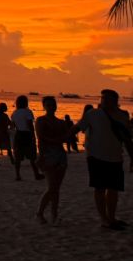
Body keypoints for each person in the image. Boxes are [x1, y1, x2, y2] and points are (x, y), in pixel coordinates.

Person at [78, 89, 133, 230]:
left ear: (115, 101)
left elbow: (127, 138)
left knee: (114, 189)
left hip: (115, 156)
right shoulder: (92, 114)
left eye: (106, 99)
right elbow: (77, 128)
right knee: (100, 188)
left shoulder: (123, 115)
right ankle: (104, 219)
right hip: (96, 156)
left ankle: (112, 217)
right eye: (102, 98)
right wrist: (58, 141)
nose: (103, 101)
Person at [35, 96, 71, 224]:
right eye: (48, 105)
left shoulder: (61, 122)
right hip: (47, 155)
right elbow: (41, 137)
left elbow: (67, 137)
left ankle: (54, 215)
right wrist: (56, 140)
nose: (51, 107)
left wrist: (59, 139)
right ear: (44, 107)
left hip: (60, 156)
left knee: (56, 188)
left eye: (53, 104)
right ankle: (39, 213)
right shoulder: (40, 120)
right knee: (51, 187)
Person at [11, 95, 43, 181]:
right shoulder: (28, 112)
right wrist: (33, 135)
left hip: (18, 134)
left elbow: (13, 126)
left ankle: (17, 175)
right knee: (32, 157)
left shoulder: (14, 113)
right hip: (27, 134)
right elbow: (30, 124)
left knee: (18, 157)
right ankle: (36, 174)